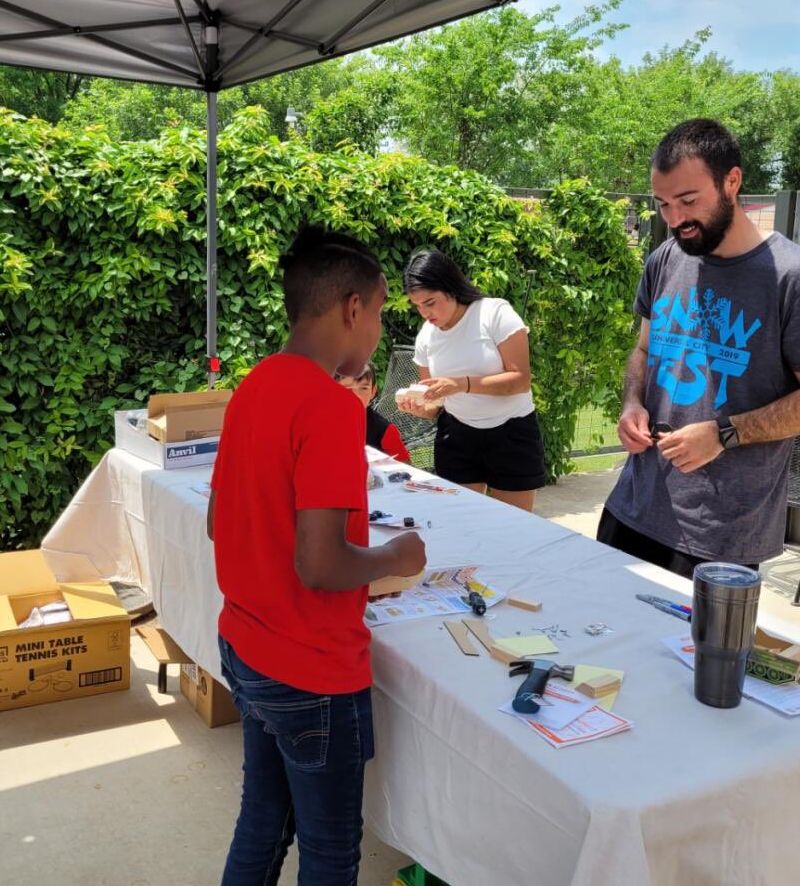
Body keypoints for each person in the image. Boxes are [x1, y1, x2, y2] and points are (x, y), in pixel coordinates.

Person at [205, 224, 426, 886]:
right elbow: (321, 565)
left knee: (261, 824)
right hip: (311, 669)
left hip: (246, 645)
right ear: (353, 308)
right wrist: (394, 556)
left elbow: (218, 521)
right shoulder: (330, 407)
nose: (379, 332)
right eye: (380, 313)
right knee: (330, 855)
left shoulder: (254, 384)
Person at [599, 118, 800, 577]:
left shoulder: (798, 278)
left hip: (720, 533)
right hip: (633, 505)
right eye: (664, 204)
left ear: (732, 181)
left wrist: (724, 434)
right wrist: (632, 402)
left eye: (688, 200)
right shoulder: (665, 259)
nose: (675, 219)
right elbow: (644, 350)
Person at [396, 249, 545, 512]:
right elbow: (434, 405)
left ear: (450, 288)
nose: (425, 313)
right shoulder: (426, 337)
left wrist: (462, 384)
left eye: (430, 302)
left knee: (514, 526)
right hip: (457, 436)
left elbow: (520, 380)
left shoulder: (494, 313)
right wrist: (420, 407)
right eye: (417, 306)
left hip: (512, 432)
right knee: (461, 523)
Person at [337, 361, 411, 462]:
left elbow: (404, 465)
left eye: (364, 388)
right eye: (347, 388)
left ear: (373, 391)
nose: (356, 395)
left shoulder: (384, 430)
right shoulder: (320, 422)